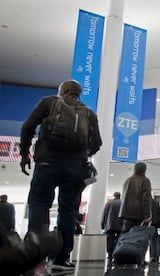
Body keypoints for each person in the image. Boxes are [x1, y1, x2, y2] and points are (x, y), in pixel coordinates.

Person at [19, 79, 102, 271]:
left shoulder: (49, 102)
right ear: (77, 93)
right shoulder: (89, 113)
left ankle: (36, 256)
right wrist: (82, 155)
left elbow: (28, 126)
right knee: (68, 211)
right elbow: (96, 143)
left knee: (39, 204)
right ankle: (61, 259)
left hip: (47, 162)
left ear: (62, 91)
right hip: (75, 168)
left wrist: (25, 153)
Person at [119, 162, 152, 232]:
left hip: (126, 212)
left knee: (126, 235)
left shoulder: (128, 180)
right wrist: (147, 215)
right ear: (145, 170)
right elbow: (146, 199)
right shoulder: (145, 180)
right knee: (136, 236)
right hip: (138, 213)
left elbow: (124, 197)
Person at [101, 191, 123, 265]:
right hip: (121, 226)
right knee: (119, 241)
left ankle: (110, 256)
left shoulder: (108, 204)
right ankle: (118, 256)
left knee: (110, 241)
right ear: (120, 196)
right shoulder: (123, 203)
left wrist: (102, 225)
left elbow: (104, 215)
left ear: (113, 196)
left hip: (110, 226)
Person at [149, 198, 160, 263]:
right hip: (155, 224)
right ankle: (154, 256)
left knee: (146, 241)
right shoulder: (156, 202)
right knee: (153, 241)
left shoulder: (144, 201)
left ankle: (151, 256)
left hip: (146, 224)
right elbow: (159, 214)